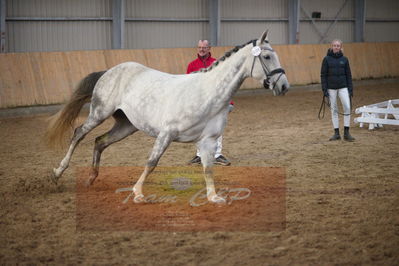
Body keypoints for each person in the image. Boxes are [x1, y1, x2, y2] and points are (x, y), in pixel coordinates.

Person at [186, 39, 232, 166]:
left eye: (204, 47)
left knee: (216, 127)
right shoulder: (192, 65)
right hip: (198, 103)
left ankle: (217, 155)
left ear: (209, 48)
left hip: (215, 102)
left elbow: (225, 84)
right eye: (199, 47)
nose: (201, 49)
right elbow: (188, 86)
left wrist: (230, 102)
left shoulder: (217, 63)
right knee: (199, 129)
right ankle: (200, 155)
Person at [321, 39, 355, 142]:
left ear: (341, 47)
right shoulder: (326, 59)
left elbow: (348, 74)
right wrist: (324, 89)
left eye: (338, 46)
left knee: (347, 107)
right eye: (334, 45)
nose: (336, 47)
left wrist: (350, 88)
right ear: (331, 46)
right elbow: (323, 75)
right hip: (331, 88)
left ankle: (346, 132)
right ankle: (336, 133)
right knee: (334, 110)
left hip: (343, 87)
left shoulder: (345, 59)